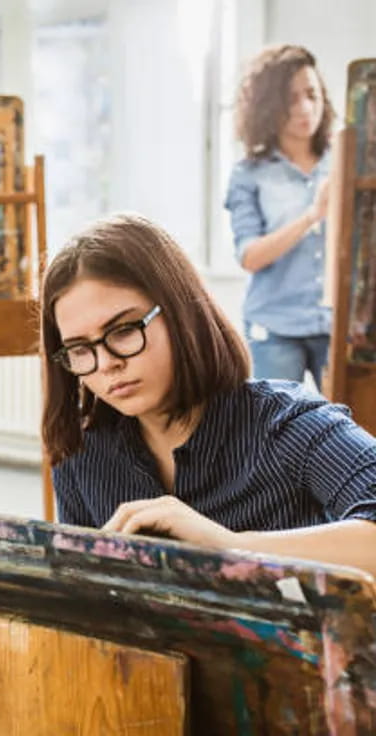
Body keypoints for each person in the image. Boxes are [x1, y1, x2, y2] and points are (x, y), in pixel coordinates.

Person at [41, 213, 376, 576]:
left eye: (123, 330)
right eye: (79, 349)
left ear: (180, 313)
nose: (107, 363)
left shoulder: (289, 424)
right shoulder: (81, 453)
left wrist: (231, 548)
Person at [225, 44, 334, 388]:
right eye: (291, 98)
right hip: (274, 329)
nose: (305, 108)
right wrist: (311, 216)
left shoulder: (346, 162)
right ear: (269, 105)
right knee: (278, 421)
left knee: (358, 419)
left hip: (339, 328)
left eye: (312, 94)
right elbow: (249, 256)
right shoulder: (248, 174)